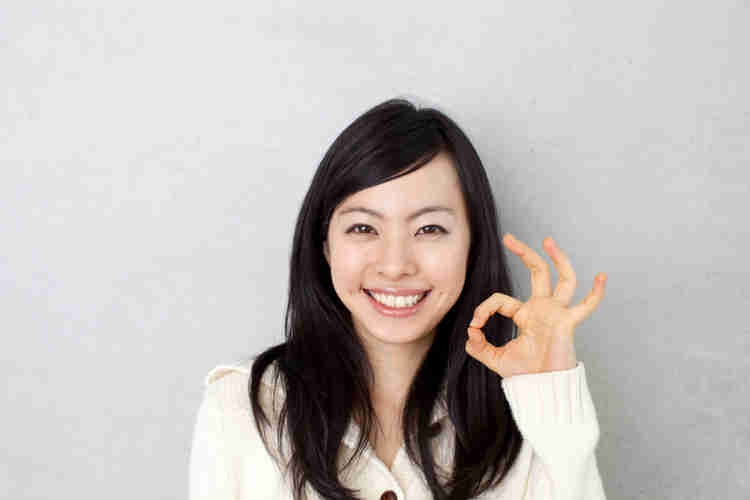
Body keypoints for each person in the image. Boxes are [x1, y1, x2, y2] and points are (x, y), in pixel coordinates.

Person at [188, 97, 609, 500]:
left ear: (472, 245)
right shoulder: (243, 407)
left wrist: (550, 392)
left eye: (429, 229)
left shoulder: (530, 412)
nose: (395, 266)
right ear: (325, 245)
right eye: (363, 228)